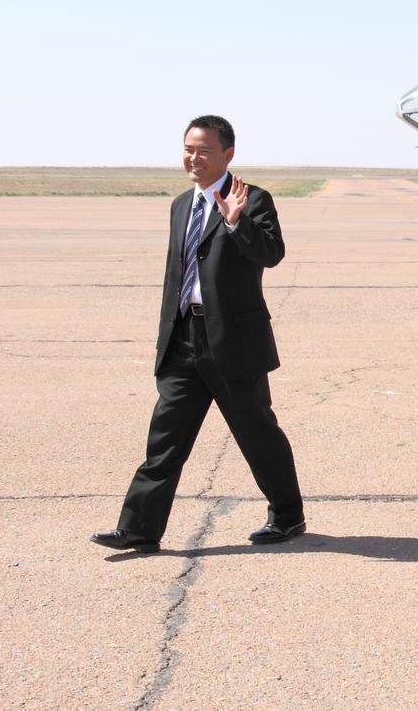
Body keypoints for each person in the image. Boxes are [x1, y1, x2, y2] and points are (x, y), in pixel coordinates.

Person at [91, 115, 305, 553]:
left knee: (257, 434)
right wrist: (165, 338)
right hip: (184, 339)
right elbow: (177, 276)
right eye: (189, 150)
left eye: (204, 151)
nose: (194, 158)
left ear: (228, 154)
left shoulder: (253, 199)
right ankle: (138, 528)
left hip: (233, 343)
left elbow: (272, 254)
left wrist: (236, 222)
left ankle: (288, 517)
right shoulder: (180, 206)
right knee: (164, 439)